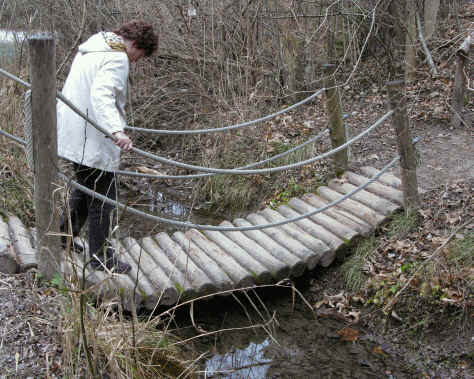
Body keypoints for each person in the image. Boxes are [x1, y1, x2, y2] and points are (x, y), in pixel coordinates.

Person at [57, 20, 158, 274]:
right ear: (134, 45)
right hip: (91, 137)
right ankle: (101, 258)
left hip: (74, 130)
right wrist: (116, 130)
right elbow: (101, 95)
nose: (135, 61)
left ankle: (64, 238)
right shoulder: (117, 58)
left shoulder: (96, 47)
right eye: (140, 56)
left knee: (85, 190)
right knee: (104, 198)